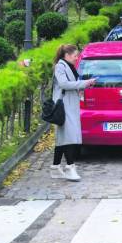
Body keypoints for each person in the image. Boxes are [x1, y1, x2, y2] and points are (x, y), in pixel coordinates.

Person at [50, 44, 96, 181]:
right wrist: (84, 83)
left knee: (62, 138)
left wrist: (83, 85)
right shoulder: (60, 67)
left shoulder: (68, 66)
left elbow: (71, 83)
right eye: (75, 55)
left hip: (70, 105)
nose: (77, 58)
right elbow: (64, 84)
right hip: (64, 106)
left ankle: (55, 167)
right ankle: (70, 167)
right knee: (69, 137)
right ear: (67, 55)